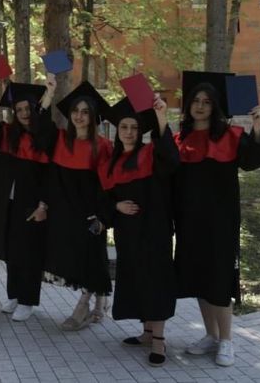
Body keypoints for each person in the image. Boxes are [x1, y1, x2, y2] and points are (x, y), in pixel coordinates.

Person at [174, 72, 260, 367]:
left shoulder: (231, 136)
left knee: (218, 279)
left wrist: (257, 125)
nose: (200, 106)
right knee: (199, 278)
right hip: (189, 223)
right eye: (196, 101)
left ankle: (227, 340)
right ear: (189, 106)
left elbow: (255, 160)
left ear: (215, 107)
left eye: (207, 102)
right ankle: (211, 336)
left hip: (220, 222)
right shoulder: (181, 139)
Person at [97, 96, 177, 367]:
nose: (129, 132)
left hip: (154, 228)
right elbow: (103, 199)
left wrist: (162, 116)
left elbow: (171, 157)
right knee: (137, 279)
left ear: (140, 130)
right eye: (124, 128)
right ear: (117, 132)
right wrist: (116, 205)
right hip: (127, 233)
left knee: (156, 279)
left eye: (133, 127)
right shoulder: (111, 162)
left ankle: (159, 340)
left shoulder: (151, 153)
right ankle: (146, 333)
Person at [0, 77, 51, 322]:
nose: (23, 113)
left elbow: (49, 177)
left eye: (27, 109)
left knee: (29, 253)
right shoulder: (7, 134)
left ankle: (28, 300)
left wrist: (44, 205)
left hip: (30, 204)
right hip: (8, 203)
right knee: (11, 252)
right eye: (19, 110)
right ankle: (15, 295)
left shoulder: (43, 138)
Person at [43, 80, 113, 331]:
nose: (79, 116)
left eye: (85, 112)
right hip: (65, 212)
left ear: (93, 116)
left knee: (92, 257)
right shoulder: (61, 140)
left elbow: (107, 186)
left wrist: (103, 217)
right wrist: (50, 93)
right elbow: (40, 127)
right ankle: (102, 299)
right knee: (79, 258)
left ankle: (84, 306)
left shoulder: (103, 146)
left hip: (90, 212)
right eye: (75, 111)